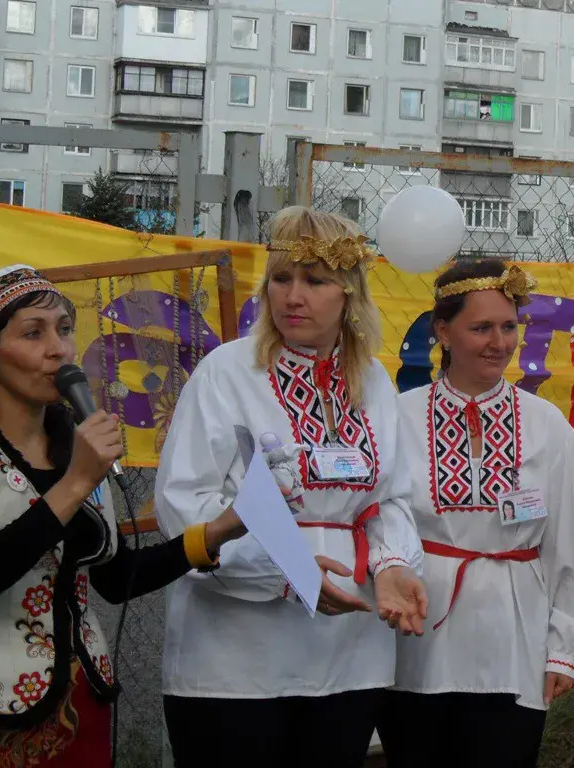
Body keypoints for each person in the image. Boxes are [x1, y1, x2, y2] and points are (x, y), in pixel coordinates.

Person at [0, 265, 248, 767]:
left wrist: (218, 532)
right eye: (33, 333)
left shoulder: (72, 437)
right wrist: (79, 481)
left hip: (85, 699)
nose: (60, 349)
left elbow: (113, 578)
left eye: (64, 329)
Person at [153, 206, 428, 767]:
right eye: (281, 278)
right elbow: (185, 503)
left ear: (349, 293)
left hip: (349, 654)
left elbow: (389, 497)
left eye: (315, 280)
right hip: (236, 660)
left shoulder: (373, 380)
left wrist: (395, 563)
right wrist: (289, 574)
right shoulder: (226, 372)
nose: (292, 296)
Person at [376, 258, 574, 767]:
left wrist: (567, 648)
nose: (499, 343)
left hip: (515, 640)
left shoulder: (545, 424)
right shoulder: (398, 417)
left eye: (509, 327)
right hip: (420, 637)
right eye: (481, 327)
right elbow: (376, 519)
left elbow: (573, 538)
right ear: (443, 330)